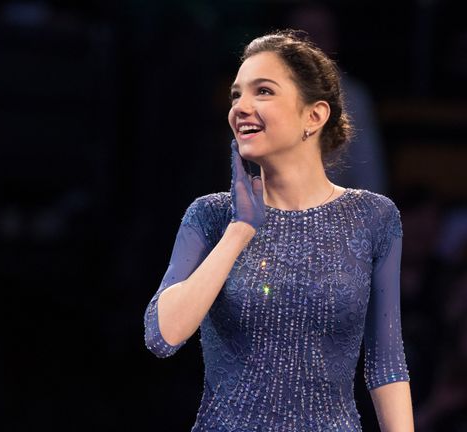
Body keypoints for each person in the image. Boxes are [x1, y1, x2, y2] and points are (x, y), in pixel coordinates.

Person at [144, 29, 414, 431]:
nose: (240, 107)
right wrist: (239, 231)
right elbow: (162, 337)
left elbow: (386, 365)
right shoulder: (211, 216)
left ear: (314, 116)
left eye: (263, 91)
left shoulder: (373, 217)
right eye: (236, 95)